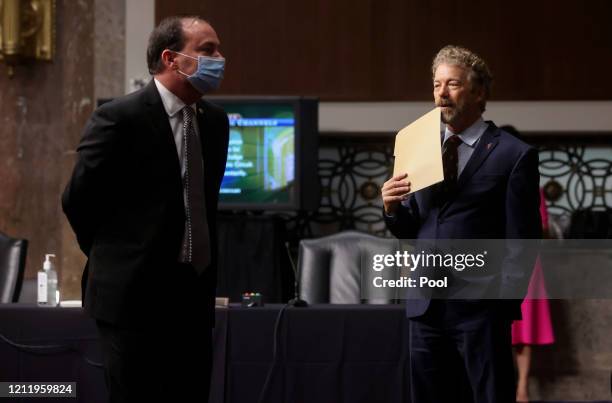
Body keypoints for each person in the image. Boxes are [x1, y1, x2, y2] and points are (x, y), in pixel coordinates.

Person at [62, 16, 229, 403]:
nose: (220, 58)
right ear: (171, 58)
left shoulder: (216, 123)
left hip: (192, 297)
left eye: (218, 50)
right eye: (208, 50)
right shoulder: (119, 119)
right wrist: (115, 255)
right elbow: (77, 201)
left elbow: (203, 203)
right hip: (132, 298)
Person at [382, 45, 541, 402]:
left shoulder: (514, 154)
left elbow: (524, 242)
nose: (441, 93)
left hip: (481, 313)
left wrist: (499, 307)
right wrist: (392, 209)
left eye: (452, 84)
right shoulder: (416, 145)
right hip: (425, 308)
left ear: (479, 91)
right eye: (436, 84)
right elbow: (412, 230)